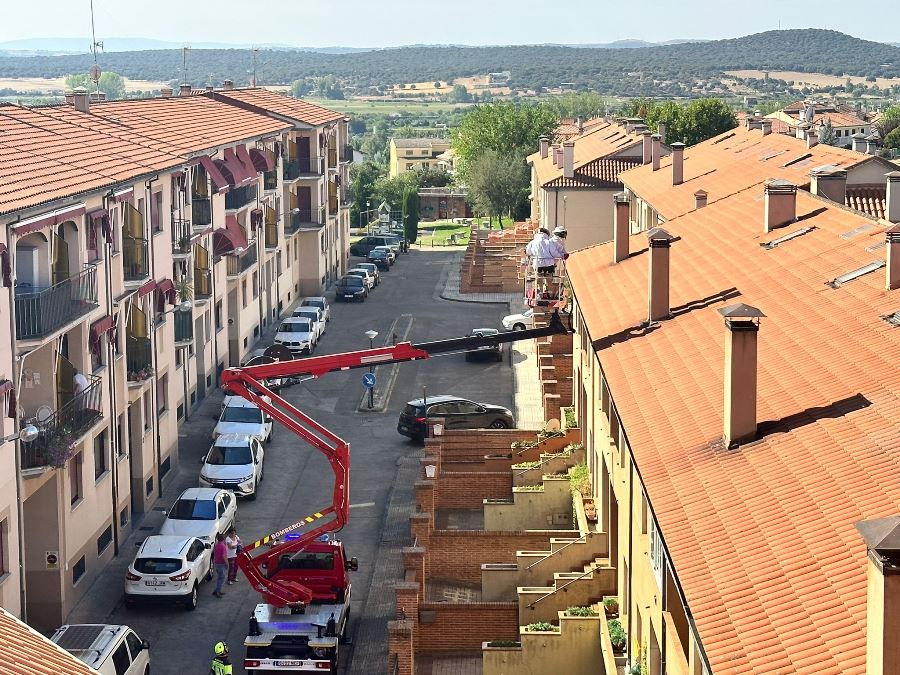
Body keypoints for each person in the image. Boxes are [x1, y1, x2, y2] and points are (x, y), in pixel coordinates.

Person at [212, 533, 228, 598]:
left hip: (216, 563)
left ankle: (216, 590)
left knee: (219, 577)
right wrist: (227, 563)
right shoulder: (223, 546)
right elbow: (224, 556)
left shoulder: (216, 545)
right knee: (222, 578)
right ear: (223, 539)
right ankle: (217, 591)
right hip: (221, 564)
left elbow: (214, 552)